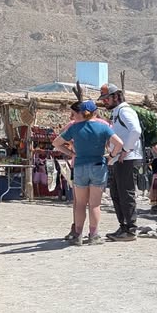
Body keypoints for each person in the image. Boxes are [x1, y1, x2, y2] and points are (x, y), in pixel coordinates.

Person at [52, 100, 123, 246]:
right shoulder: (103, 127)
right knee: (94, 204)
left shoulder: (74, 128)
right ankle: (93, 235)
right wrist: (111, 156)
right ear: (94, 112)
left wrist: (71, 153)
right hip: (98, 165)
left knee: (80, 204)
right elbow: (119, 143)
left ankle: (77, 234)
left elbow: (56, 143)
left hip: (80, 166)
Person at [98, 83, 143, 241]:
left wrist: (125, 150)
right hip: (120, 158)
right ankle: (123, 226)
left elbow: (136, 130)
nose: (104, 102)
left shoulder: (125, 111)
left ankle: (131, 229)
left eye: (106, 98)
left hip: (127, 158)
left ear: (116, 96)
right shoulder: (117, 113)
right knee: (116, 193)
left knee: (126, 193)